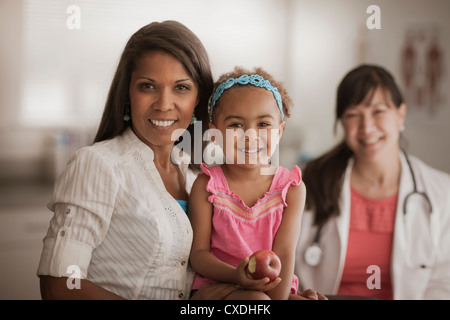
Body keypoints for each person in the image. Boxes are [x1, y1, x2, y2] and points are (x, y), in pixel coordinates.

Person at [37, 20, 239, 300]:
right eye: (148, 86)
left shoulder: (198, 178)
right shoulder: (98, 165)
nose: (164, 104)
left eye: (181, 88)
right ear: (128, 94)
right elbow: (59, 286)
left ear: (198, 98)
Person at [294, 64, 450, 300]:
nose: (366, 127)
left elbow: (443, 280)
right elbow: (284, 264)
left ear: (401, 113)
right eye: (353, 115)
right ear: (341, 123)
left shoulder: (441, 192)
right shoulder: (306, 182)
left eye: (378, 111)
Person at [189, 67, 325, 300]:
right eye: (235, 125)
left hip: (271, 288)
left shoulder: (291, 189)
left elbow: (284, 253)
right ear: (214, 134)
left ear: (279, 131)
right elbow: (199, 255)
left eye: (263, 124)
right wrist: (237, 277)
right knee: (257, 301)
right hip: (218, 287)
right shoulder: (207, 185)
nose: (250, 135)